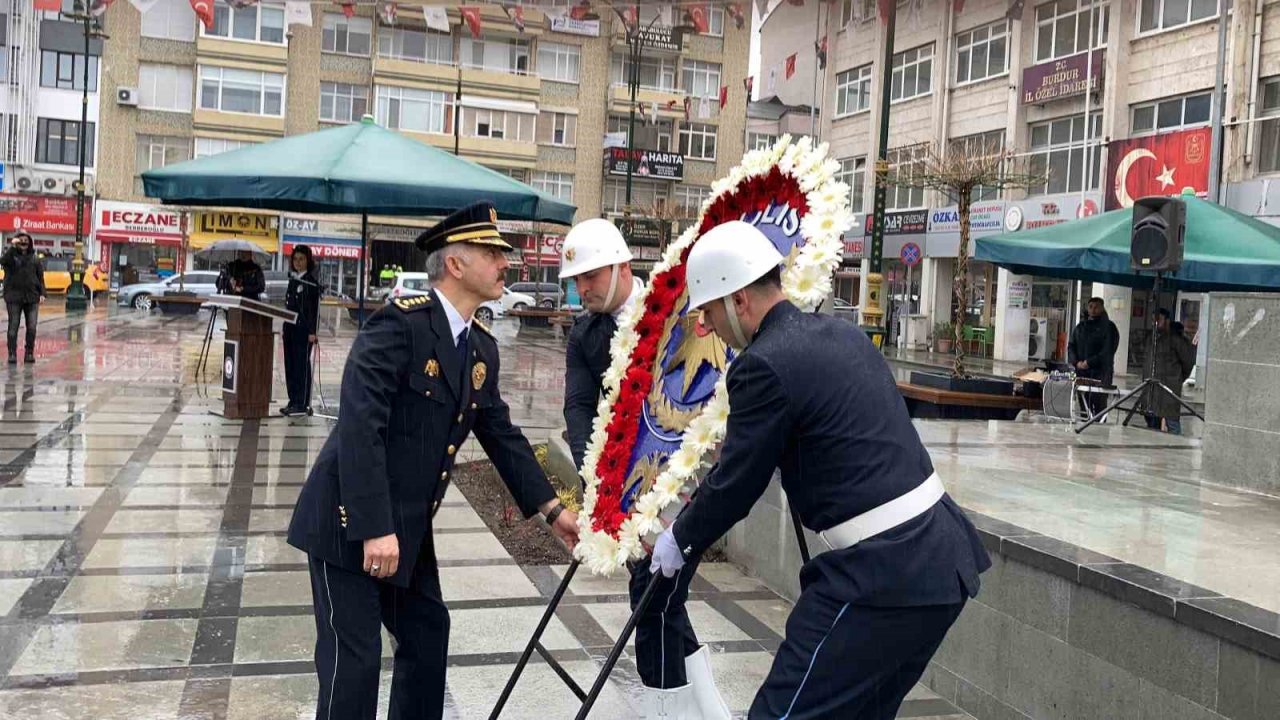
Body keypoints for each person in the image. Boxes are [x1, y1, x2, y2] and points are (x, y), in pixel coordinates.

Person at [650, 221, 991, 720]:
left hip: (883, 572)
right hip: (940, 559)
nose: (709, 331)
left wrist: (679, 538)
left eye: (708, 316)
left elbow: (737, 485)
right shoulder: (840, 334)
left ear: (738, 301)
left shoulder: (763, 364)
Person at [286, 202, 579, 720]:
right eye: (492, 253)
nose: (504, 263)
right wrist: (375, 527)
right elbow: (360, 427)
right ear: (455, 264)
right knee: (354, 663)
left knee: (426, 634)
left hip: (407, 528)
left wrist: (554, 513)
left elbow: (502, 435)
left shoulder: (480, 349)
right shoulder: (398, 328)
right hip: (348, 520)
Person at [558, 218, 731, 719]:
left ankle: (665, 711)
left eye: (591, 275)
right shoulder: (585, 335)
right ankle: (708, 709)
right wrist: (599, 478)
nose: (582, 287)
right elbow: (577, 407)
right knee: (662, 598)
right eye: (577, 279)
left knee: (652, 597)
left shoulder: (676, 312)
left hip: (691, 479)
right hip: (631, 491)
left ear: (621, 266)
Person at [280, 245, 322, 417]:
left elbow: (314, 310)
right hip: (290, 328)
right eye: (295, 259)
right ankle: (293, 400)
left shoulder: (310, 283)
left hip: (304, 331)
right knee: (290, 365)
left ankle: (301, 402)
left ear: (308, 261)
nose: (298, 262)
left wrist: (312, 331)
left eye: (302, 259)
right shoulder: (294, 279)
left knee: (301, 365)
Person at [1144, 309, 1195, 435]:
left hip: (1169, 387)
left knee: (1172, 421)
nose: (1155, 323)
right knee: (1152, 422)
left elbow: (1188, 362)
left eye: (1158, 320)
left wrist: (1177, 378)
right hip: (1151, 388)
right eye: (1153, 320)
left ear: (1167, 321)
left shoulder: (1177, 340)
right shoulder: (1152, 338)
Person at [1067, 297, 1120, 414]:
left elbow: (1108, 351)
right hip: (1082, 374)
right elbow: (1071, 346)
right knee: (1084, 408)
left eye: (1096, 307)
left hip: (1101, 374)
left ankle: (1100, 430)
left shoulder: (1109, 327)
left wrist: (1089, 362)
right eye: (1090, 307)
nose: (1093, 310)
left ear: (1102, 308)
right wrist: (1076, 362)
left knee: (1100, 409)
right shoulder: (1080, 327)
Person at [2, 232, 45, 364]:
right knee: (13, 326)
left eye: (26, 240)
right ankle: (12, 353)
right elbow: (3, 261)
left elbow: (40, 277)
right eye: (20, 240)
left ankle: (29, 353)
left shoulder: (35, 258)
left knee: (32, 327)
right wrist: (12, 246)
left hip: (32, 297)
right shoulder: (11, 257)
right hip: (14, 297)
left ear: (30, 243)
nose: (23, 243)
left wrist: (42, 293)